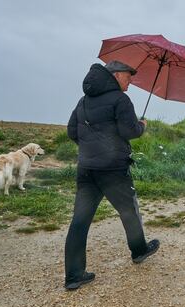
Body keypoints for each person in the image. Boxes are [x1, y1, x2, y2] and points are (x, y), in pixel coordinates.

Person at [64, 60, 160, 290]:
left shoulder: (84, 100)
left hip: (86, 169)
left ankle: (74, 276)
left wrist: (90, 148)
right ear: (116, 75)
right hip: (114, 170)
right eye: (129, 76)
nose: (131, 80)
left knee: (79, 221)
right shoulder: (120, 99)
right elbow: (130, 131)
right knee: (129, 211)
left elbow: (71, 131)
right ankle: (139, 251)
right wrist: (142, 125)